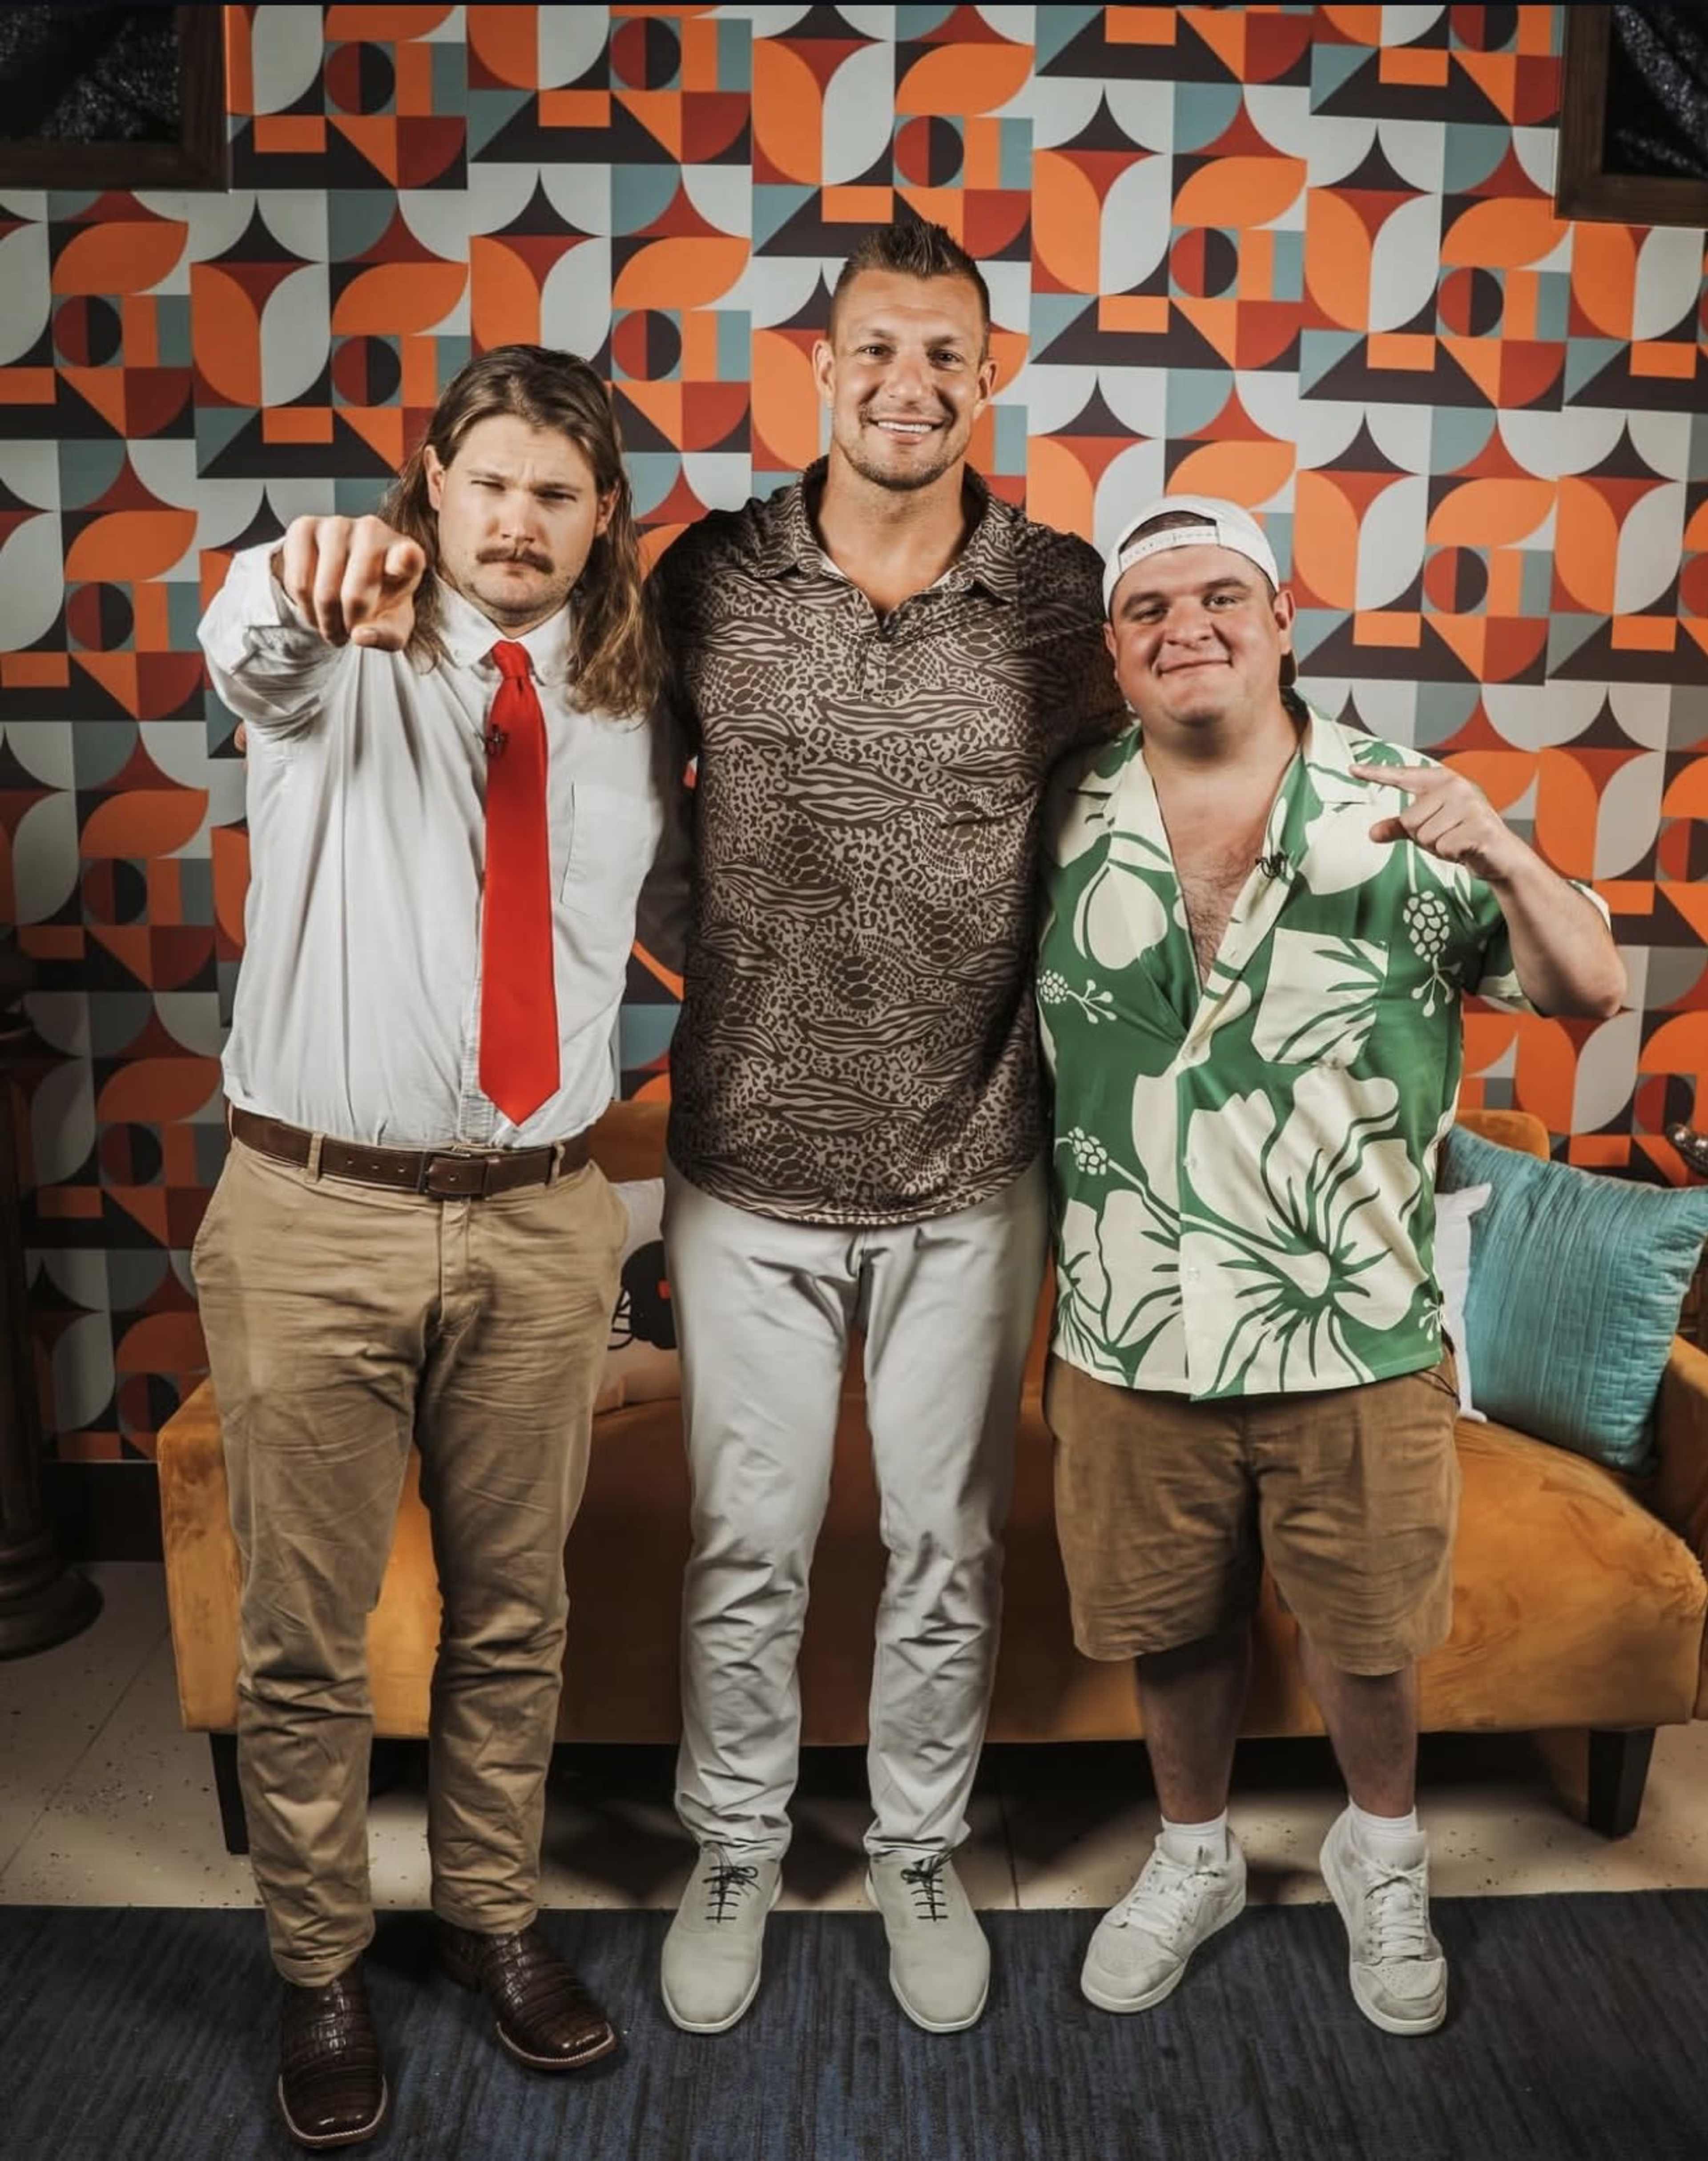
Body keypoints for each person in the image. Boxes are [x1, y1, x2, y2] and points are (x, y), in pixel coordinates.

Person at [1037, 492, 1625, 2036]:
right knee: (1170, 1624)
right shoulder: (1059, 815)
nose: (1190, 629)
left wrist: (1502, 846)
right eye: (1151, 608)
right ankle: (1192, 1854)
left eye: (1221, 594)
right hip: (1129, 1318)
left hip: (1354, 1324)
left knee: (1369, 1638)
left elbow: (1592, 989)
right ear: (1115, 648)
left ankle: (1385, 1852)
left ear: (1283, 614)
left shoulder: (1402, 799)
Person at [647, 219, 1123, 2036]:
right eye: (876, 350)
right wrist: (739, 974)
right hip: (745, 1167)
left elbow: (1144, 819)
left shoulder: (1070, 592)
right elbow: (635, 818)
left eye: (948, 354)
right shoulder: (709, 575)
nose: (909, 383)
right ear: (818, 369)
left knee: (944, 1542)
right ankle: (739, 1843)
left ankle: (921, 1843)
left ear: (990, 377)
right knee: (747, 1543)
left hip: (971, 1162)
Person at [195, 344, 670, 2148]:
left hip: (547, 1220)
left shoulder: (629, 697)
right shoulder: (339, 643)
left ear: (602, 515)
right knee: (308, 1637)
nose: (520, 520)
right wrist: (322, 585)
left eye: (559, 490)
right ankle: (320, 1965)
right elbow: (256, 637)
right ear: (431, 484)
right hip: (319, 1210)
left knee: (517, 1619)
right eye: (489, 482)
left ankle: (489, 1922)